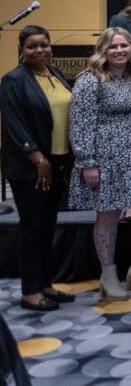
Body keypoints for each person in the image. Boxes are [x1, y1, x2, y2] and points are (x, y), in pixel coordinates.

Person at [67, 27, 131, 299]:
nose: (120, 51)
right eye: (113, 47)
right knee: (108, 214)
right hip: (105, 157)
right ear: (103, 50)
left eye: (124, 46)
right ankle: (108, 275)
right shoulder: (90, 80)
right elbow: (81, 123)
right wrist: (87, 162)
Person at [1, 26, 76, 311]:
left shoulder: (54, 75)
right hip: (30, 166)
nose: (39, 50)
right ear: (22, 49)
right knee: (32, 228)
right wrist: (38, 159)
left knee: (48, 225)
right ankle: (30, 291)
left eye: (44, 45)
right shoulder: (13, 81)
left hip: (56, 163)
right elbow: (14, 124)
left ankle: (45, 284)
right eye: (32, 46)